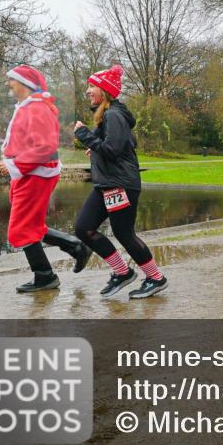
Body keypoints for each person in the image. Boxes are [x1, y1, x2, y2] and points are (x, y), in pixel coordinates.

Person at [73, 65, 168, 298]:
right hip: (107, 183)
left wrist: (85, 136)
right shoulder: (109, 115)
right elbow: (121, 145)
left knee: (124, 233)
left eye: (92, 86)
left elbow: (113, 150)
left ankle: (155, 277)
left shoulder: (114, 114)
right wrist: (94, 147)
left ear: (104, 90)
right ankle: (122, 272)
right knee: (83, 228)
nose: (87, 91)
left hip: (120, 185)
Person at [0, 65, 91, 293]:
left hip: (35, 174)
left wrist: (14, 164)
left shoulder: (36, 108)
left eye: (12, 80)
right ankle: (75, 247)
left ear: (24, 84)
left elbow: (45, 147)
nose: (8, 84)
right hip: (31, 174)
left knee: (19, 229)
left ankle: (45, 276)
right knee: (31, 225)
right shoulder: (29, 107)